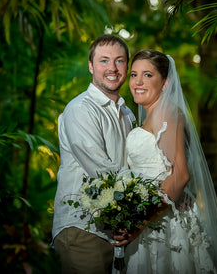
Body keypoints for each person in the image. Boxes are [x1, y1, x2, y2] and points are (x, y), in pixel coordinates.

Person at [114, 50, 217, 273]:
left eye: (148, 75)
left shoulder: (166, 112)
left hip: (162, 222)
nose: (138, 82)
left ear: (166, 82)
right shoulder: (150, 116)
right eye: (134, 74)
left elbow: (180, 175)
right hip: (150, 215)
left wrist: (139, 224)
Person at [52, 34, 136, 274]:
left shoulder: (128, 115)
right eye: (104, 61)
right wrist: (149, 199)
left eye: (119, 61)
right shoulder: (80, 109)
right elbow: (101, 169)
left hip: (118, 231)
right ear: (91, 66)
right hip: (83, 227)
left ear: (127, 66)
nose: (112, 68)